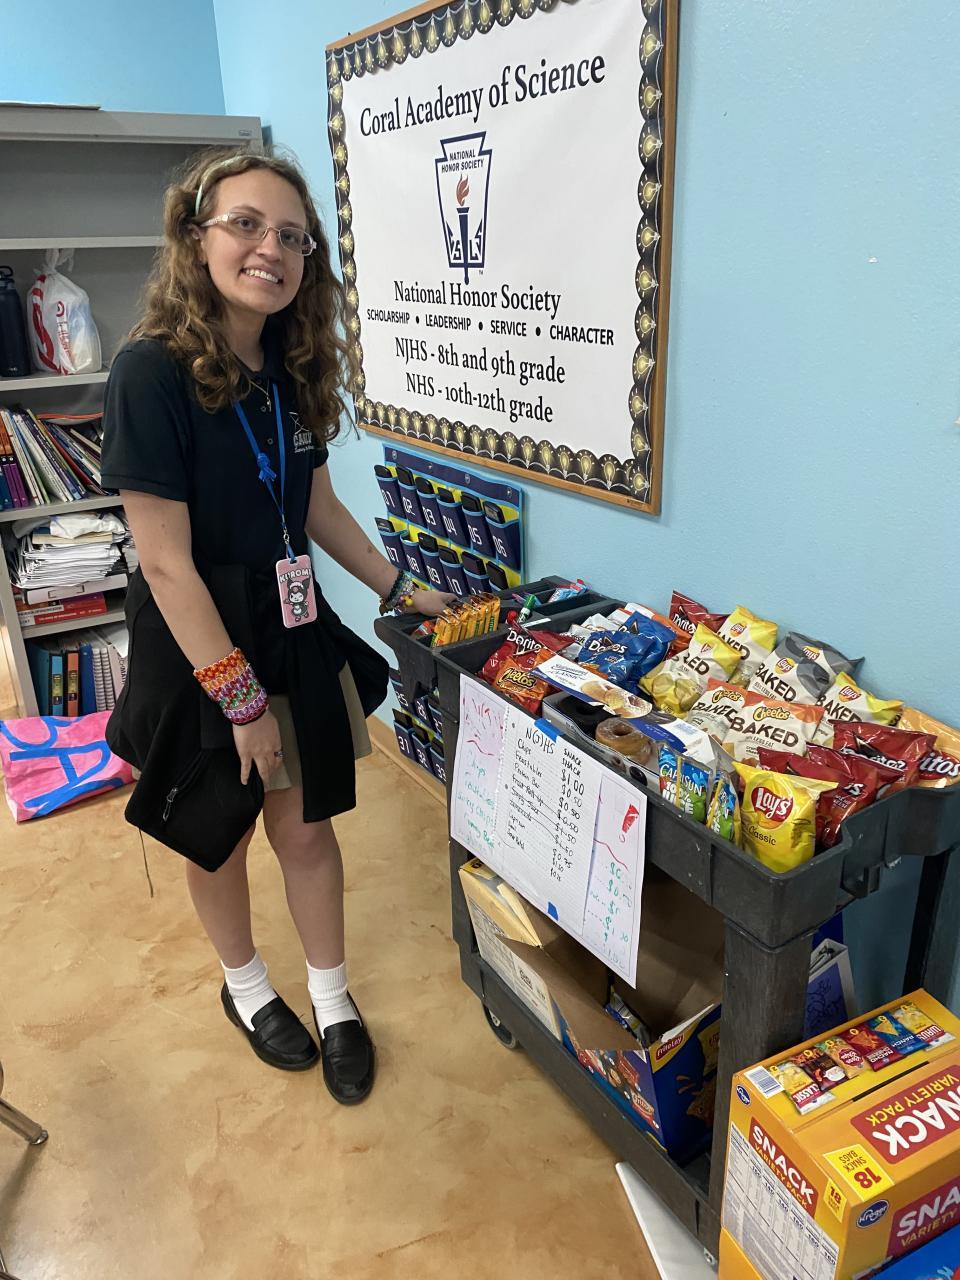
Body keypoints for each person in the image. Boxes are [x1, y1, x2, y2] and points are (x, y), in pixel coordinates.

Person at [100, 147, 453, 1104]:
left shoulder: (290, 366)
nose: (271, 249)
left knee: (306, 825)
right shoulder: (148, 372)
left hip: (290, 625)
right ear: (195, 237)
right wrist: (241, 702)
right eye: (247, 225)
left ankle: (333, 1000)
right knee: (217, 832)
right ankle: (248, 988)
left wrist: (396, 585)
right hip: (200, 641)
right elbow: (166, 564)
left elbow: (315, 506)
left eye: (293, 236)